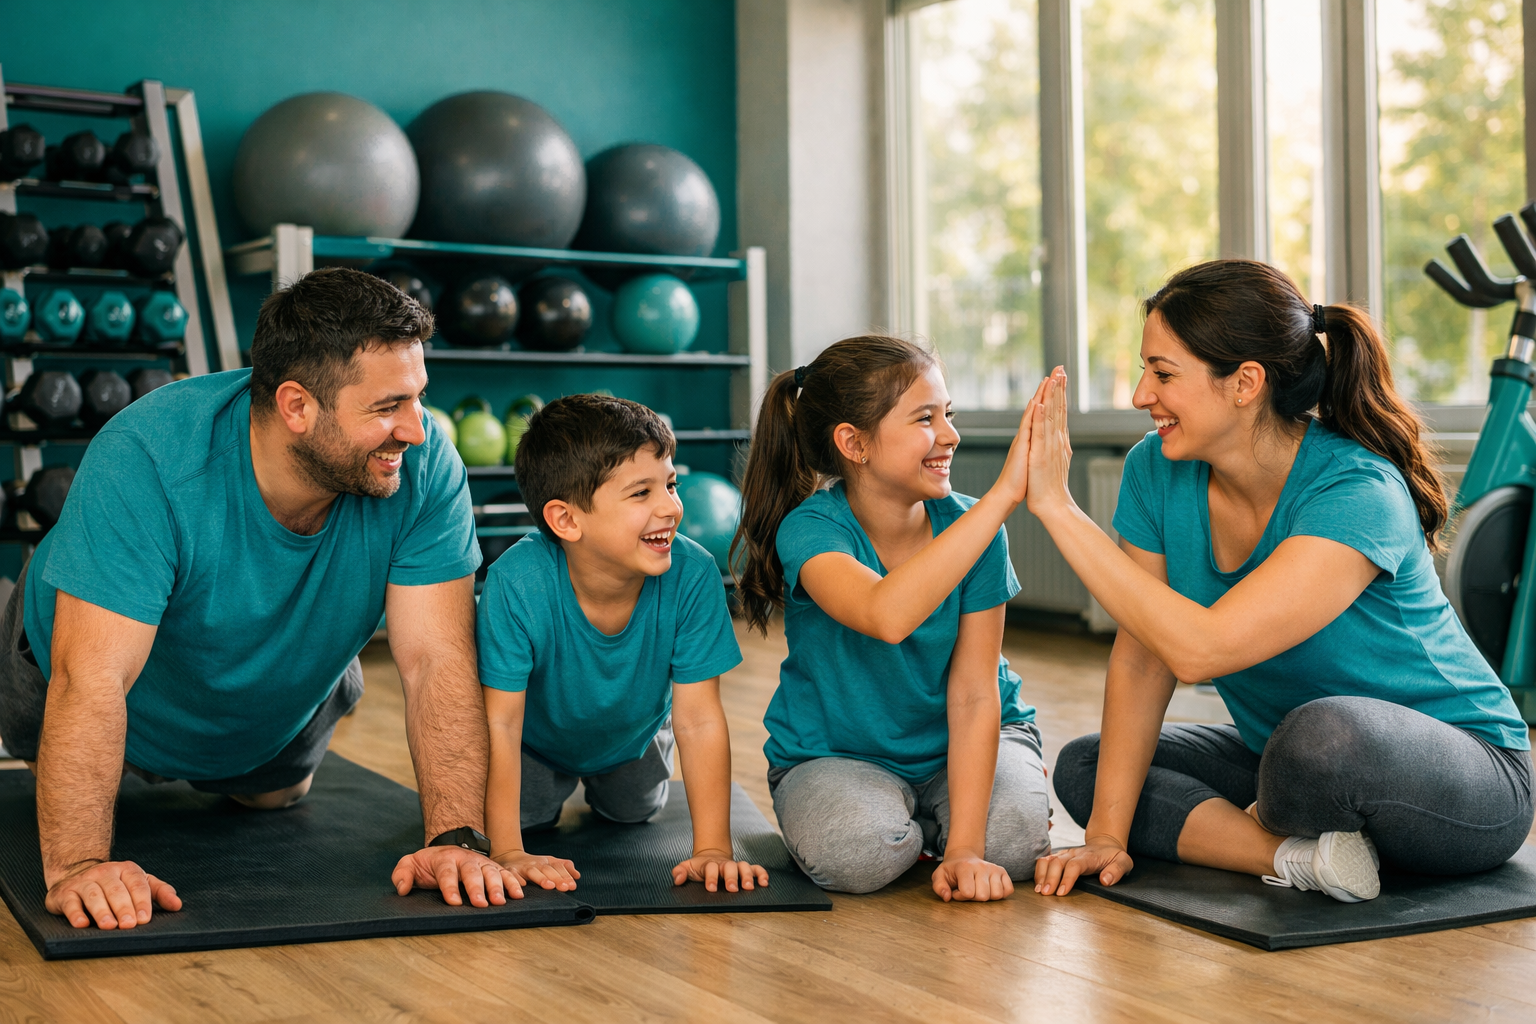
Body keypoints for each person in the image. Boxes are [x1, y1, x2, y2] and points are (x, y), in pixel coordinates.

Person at [0, 267, 519, 931]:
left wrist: (457, 840)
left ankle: (281, 696)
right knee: (56, 781)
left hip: (263, 684)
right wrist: (79, 864)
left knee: (276, 797)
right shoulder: (147, 456)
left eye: (418, 397)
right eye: (387, 406)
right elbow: (91, 676)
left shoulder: (424, 465)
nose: (416, 429)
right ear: (296, 406)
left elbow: (437, 659)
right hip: (71, 668)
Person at [1028, 259, 1533, 904]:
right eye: (1144, 371)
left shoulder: (1356, 488)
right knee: (1091, 767)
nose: (1140, 395)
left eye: (1163, 373)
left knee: (1317, 741)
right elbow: (1143, 655)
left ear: (1245, 382)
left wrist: (1058, 508)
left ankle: (1271, 824)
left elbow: (1200, 650)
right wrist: (1105, 835)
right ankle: (1299, 855)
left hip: (1470, 775)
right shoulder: (1155, 470)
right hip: (1288, 757)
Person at [733, 334, 1052, 903]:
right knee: (859, 854)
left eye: (948, 414)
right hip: (837, 756)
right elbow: (886, 614)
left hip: (968, 739)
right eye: (925, 418)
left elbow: (976, 693)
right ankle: (914, 824)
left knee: (1012, 845)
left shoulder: (977, 529)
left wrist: (967, 850)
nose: (950, 434)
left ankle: (940, 828)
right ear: (854, 443)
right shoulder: (811, 530)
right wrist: (1003, 496)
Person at [479, 394, 769, 895]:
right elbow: (501, 723)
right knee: (526, 822)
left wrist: (714, 850)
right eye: (641, 493)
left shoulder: (694, 572)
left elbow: (699, 718)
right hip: (535, 745)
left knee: (634, 811)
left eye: (671, 484)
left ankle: (632, 766)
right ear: (567, 520)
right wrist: (507, 853)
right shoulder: (516, 583)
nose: (671, 507)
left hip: (632, 741)